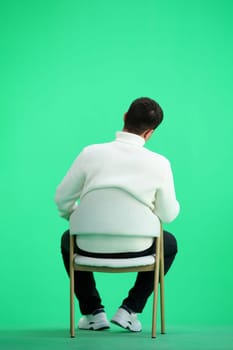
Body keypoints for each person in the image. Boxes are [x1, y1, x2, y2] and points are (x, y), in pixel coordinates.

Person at [55, 97, 180, 332]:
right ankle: (129, 310)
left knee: (66, 240)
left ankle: (93, 313)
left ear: (124, 116)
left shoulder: (89, 154)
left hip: (88, 246)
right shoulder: (160, 164)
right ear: (150, 132)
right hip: (139, 247)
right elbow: (168, 214)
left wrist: (80, 221)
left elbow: (62, 201)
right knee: (169, 244)